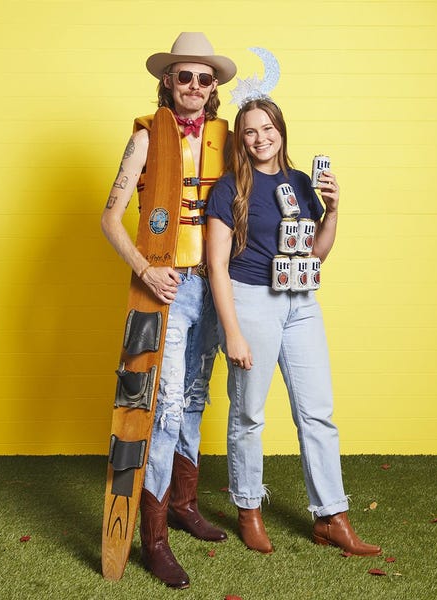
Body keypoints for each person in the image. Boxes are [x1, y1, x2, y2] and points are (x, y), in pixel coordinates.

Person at [206, 98, 382, 557]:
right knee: (249, 413)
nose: (261, 138)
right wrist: (233, 331)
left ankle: (331, 516)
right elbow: (217, 266)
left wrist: (333, 210)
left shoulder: (302, 182)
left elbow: (316, 255)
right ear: (239, 140)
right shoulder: (228, 189)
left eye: (268, 128)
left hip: (301, 302)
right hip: (251, 302)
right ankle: (248, 508)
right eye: (250, 131)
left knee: (317, 411)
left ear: (281, 131)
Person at [101, 32, 236, 589]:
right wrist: (144, 266)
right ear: (168, 81)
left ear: (214, 88)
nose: (196, 87)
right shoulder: (144, 136)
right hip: (169, 286)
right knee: (166, 407)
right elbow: (110, 218)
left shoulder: (230, 137)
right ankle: (152, 539)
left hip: (217, 285)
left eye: (206, 79)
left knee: (197, 399)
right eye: (186, 76)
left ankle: (184, 504)